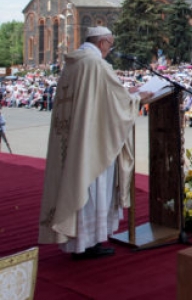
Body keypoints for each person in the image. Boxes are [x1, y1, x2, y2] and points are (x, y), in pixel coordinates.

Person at [38, 26, 155, 260]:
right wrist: (136, 98)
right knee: (91, 187)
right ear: (102, 42)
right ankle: (88, 243)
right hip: (92, 141)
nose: (110, 50)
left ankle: (79, 242)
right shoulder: (96, 64)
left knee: (77, 183)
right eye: (110, 45)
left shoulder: (74, 63)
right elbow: (113, 104)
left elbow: (98, 97)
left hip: (74, 137)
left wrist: (125, 92)